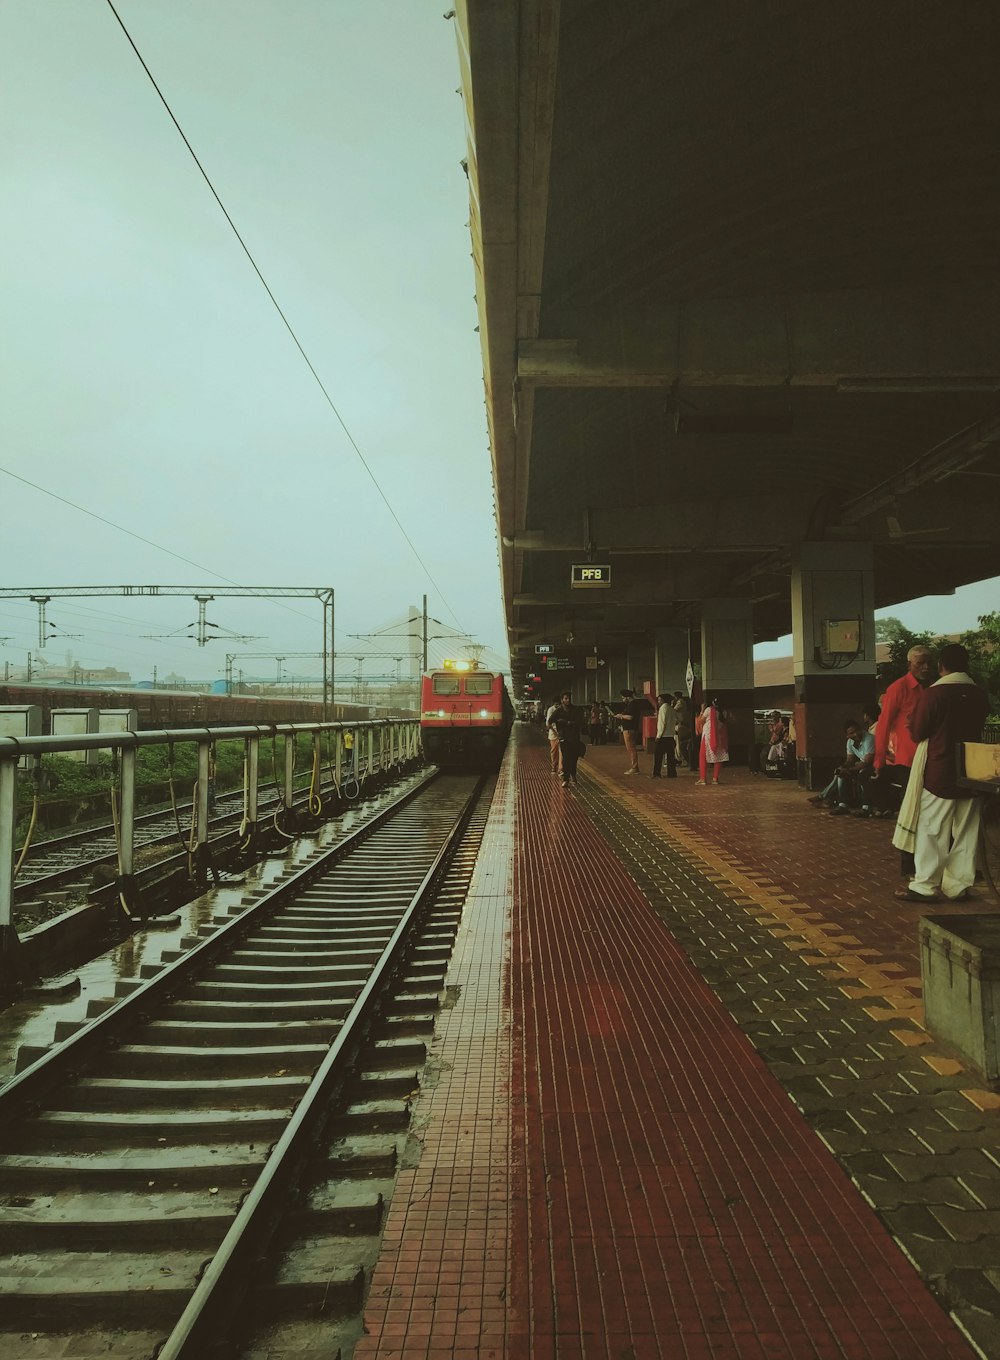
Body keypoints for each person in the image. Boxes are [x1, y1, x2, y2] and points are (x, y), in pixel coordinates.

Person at [894, 644, 990, 902]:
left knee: (933, 828)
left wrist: (911, 722)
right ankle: (958, 885)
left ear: (940, 667)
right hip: (973, 770)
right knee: (967, 829)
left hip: (941, 770)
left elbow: (918, 731)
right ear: (966, 665)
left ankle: (925, 885)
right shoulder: (980, 694)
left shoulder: (934, 695)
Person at [874, 645, 934, 873]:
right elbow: (883, 725)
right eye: (920, 663)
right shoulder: (898, 688)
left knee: (930, 811)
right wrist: (879, 761)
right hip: (907, 761)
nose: (925, 667)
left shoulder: (933, 689)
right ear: (910, 664)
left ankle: (927, 860)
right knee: (911, 810)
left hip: (930, 758)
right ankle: (908, 864)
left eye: (928, 662)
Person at [807, 719, 875, 815]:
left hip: (874, 765)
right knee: (842, 775)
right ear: (847, 735)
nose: (856, 734)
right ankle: (843, 805)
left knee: (862, 774)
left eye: (857, 730)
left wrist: (849, 769)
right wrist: (843, 767)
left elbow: (868, 762)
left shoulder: (869, 739)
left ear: (860, 729)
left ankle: (866, 807)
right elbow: (850, 760)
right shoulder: (850, 742)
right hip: (861, 764)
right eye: (852, 733)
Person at [548, 691, 584, 788]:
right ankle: (566, 779)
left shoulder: (576, 710)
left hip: (575, 738)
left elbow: (580, 721)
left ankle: (573, 775)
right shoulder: (558, 711)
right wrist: (557, 731)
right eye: (565, 698)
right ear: (562, 700)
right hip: (564, 738)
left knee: (574, 758)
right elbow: (549, 721)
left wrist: (567, 722)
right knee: (566, 759)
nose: (567, 700)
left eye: (569, 698)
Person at [614, 688, 650, 775]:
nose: (622, 700)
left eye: (623, 698)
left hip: (629, 729)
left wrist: (621, 716)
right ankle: (634, 767)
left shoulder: (632, 705)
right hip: (631, 729)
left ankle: (634, 767)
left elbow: (630, 717)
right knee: (631, 748)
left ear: (627, 697)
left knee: (631, 748)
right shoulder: (633, 704)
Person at [696, 697, 729, 785]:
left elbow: (700, 721)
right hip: (719, 737)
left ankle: (703, 779)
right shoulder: (724, 712)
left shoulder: (709, 710)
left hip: (707, 736)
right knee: (719, 757)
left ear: (713, 703)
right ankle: (715, 778)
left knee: (702, 756)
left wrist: (702, 710)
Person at [652, 693, 678, 778]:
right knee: (671, 757)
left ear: (663, 700)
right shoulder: (672, 709)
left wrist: (658, 736)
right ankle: (672, 773)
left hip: (663, 736)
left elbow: (662, 724)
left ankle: (656, 773)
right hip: (671, 736)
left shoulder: (663, 709)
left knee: (658, 756)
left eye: (659, 700)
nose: (658, 701)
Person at [673, 693, 692, 767]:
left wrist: (672, 703)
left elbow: (674, 710)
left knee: (679, 743)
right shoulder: (682, 702)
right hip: (680, 723)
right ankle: (679, 759)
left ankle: (681, 760)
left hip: (680, 724)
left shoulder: (680, 702)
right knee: (678, 743)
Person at [544, 698, 562, 774]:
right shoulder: (551, 710)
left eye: (558, 703)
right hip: (553, 734)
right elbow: (549, 723)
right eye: (556, 703)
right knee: (554, 751)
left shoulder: (562, 710)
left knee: (562, 752)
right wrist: (555, 732)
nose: (557, 705)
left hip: (561, 734)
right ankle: (554, 767)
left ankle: (561, 769)